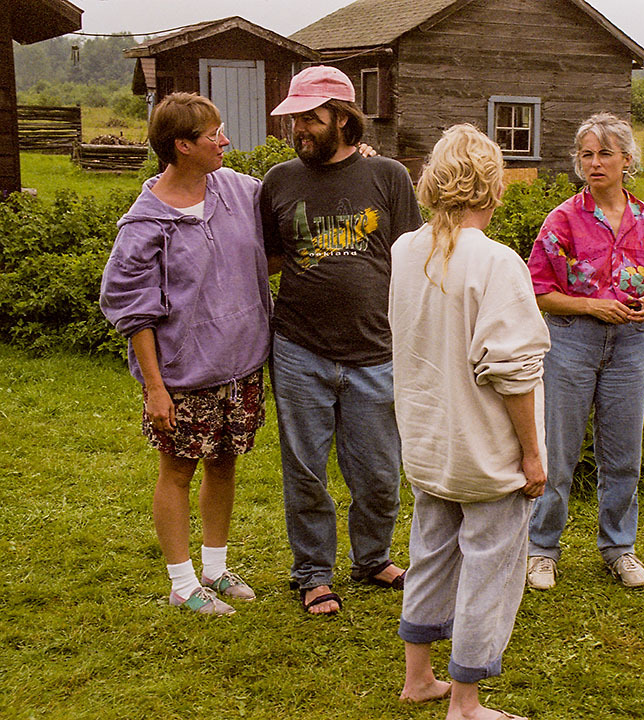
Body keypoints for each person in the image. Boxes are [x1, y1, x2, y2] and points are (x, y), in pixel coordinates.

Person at [391, 124, 549, 720]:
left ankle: (418, 678)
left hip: (428, 440)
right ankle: (465, 704)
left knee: (430, 550)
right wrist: (531, 454)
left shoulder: (406, 251)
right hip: (485, 449)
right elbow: (512, 371)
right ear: (495, 187)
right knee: (490, 566)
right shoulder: (496, 261)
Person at [99, 93, 271, 615]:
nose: (225, 142)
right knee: (177, 471)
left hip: (241, 366)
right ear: (182, 145)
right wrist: (155, 387)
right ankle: (182, 583)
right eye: (214, 135)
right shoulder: (144, 225)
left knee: (224, 462)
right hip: (182, 375)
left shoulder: (238, 190)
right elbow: (133, 311)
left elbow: (292, 202)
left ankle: (215, 569)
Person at [260, 65, 422, 615]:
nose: (299, 129)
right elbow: (271, 259)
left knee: (379, 473)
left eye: (311, 118)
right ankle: (312, 574)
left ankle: (372, 558)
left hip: (375, 351)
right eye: (295, 119)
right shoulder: (279, 182)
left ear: (344, 120)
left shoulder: (389, 177)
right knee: (305, 470)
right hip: (299, 348)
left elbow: (409, 260)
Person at [525, 112, 644, 590]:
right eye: (587, 155)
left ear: (627, 160)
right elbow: (538, 291)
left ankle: (619, 547)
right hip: (571, 340)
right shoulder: (563, 219)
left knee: (623, 454)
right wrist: (591, 305)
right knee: (559, 453)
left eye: (605, 154)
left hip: (631, 344)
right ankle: (541, 549)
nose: (594, 163)